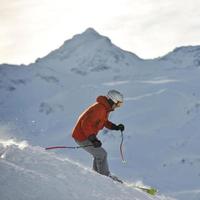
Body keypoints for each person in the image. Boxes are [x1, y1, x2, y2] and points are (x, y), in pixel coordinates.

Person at [72, 90, 125, 181]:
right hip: (82, 136)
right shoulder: (100, 109)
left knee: (99, 154)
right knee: (102, 154)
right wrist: (93, 139)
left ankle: (97, 175)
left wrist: (115, 127)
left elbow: (103, 122)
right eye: (118, 104)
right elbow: (85, 124)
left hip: (85, 135)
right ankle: (104, 177)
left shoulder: (104, 108)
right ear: (112, 100)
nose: (117, 107)